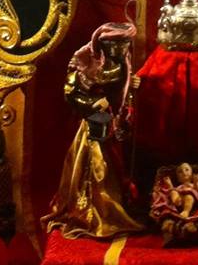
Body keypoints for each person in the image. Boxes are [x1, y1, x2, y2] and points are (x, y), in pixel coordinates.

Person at [42, 21, 143, 240]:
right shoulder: (86, 63)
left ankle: (115, 204)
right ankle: (93, 209)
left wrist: (131, 88)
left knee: (116, 164)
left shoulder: (123, 63)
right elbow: (71, 93)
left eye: (125, 44)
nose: (121, 49)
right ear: (104, 44)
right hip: (92, 124)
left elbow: (122, 92)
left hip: (112, 122)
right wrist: (94, 104)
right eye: (116, 45)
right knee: (96, 165)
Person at [150, 161, 198, 245]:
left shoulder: (192, 185)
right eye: (180, 172)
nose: (184, 172)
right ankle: (177, 202)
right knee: (173, 191)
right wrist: (170, 185)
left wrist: (195, 181)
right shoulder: (179, 187)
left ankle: (186, 211)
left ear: (191, 174)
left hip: (192, 200)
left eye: (187, 170)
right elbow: (169, 193)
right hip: (179, 202)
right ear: (178, 178)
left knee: (189, 196)